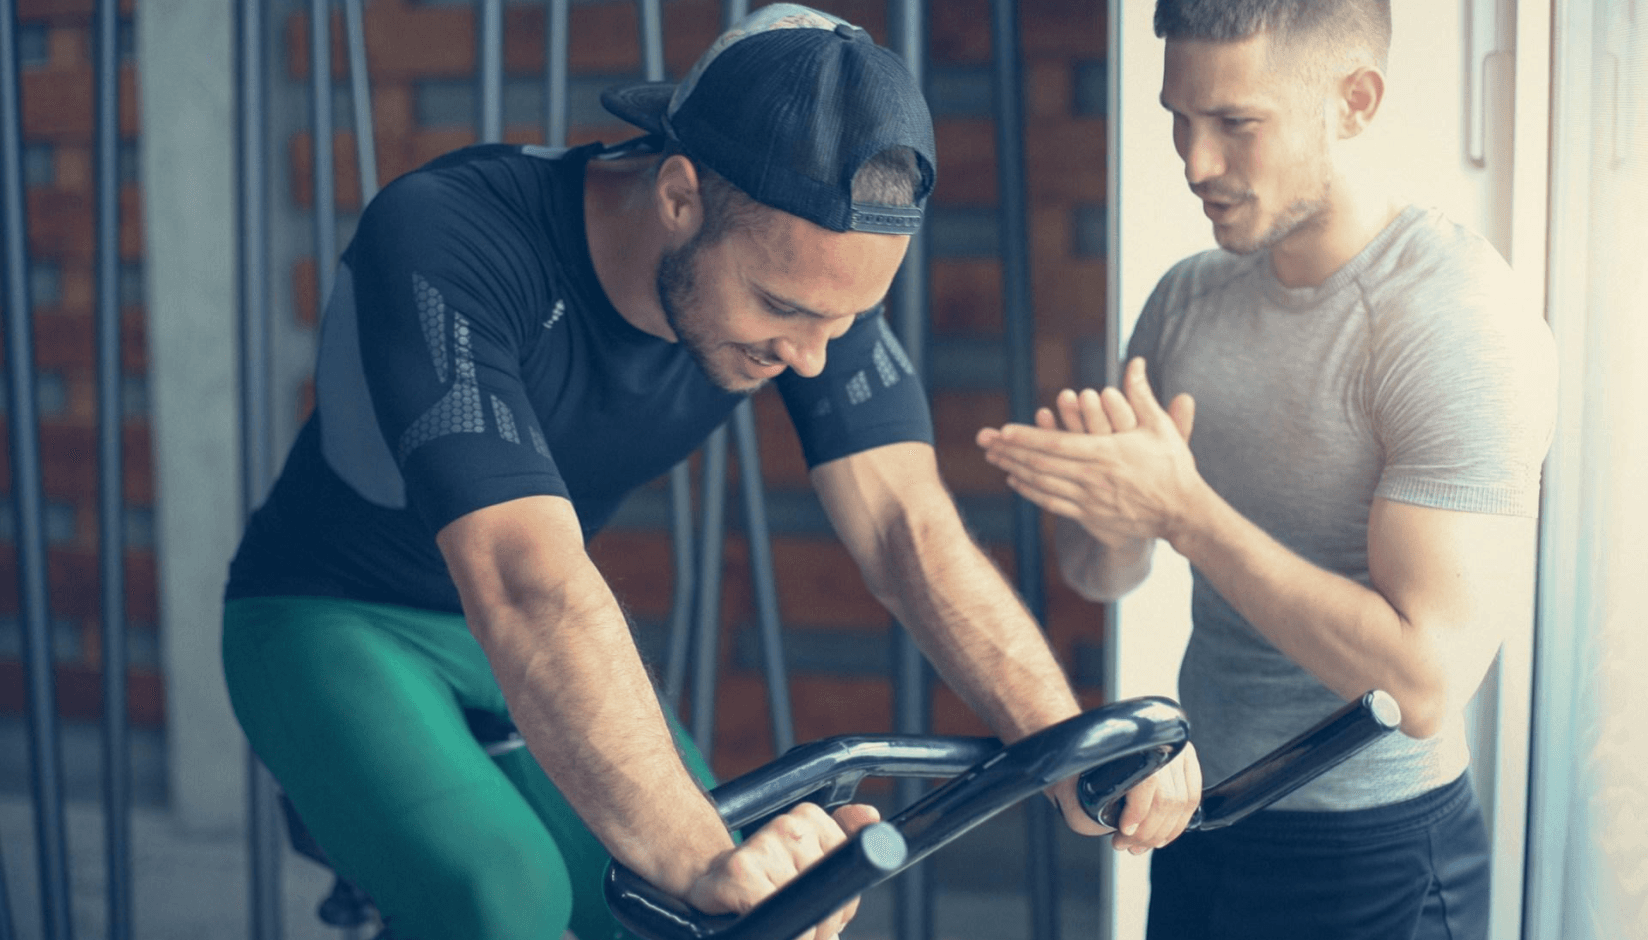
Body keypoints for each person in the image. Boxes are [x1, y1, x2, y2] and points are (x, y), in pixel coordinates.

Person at [221, 6, 1197, 939]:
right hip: (326, 617)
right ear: (679, 195)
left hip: (513, 630)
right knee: (502, 896)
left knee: (718, 921)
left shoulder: (810, 289)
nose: (814, 356)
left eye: (845, 320)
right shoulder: (450, 236)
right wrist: (697, 857)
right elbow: (526, 581)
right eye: (784, 306)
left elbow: (908, 527)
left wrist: (1068, 744)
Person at [976, 1, 1558, 937]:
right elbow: (1101, 573)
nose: (1195, 162)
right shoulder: (1188, 299)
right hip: (1203, 815)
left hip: (1373, 849)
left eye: (1236, 124)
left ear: (1354, 101)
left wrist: (1183, 511)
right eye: (1179, 116)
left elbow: (1419, 686)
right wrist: (1113, 517)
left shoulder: (1455, 320)